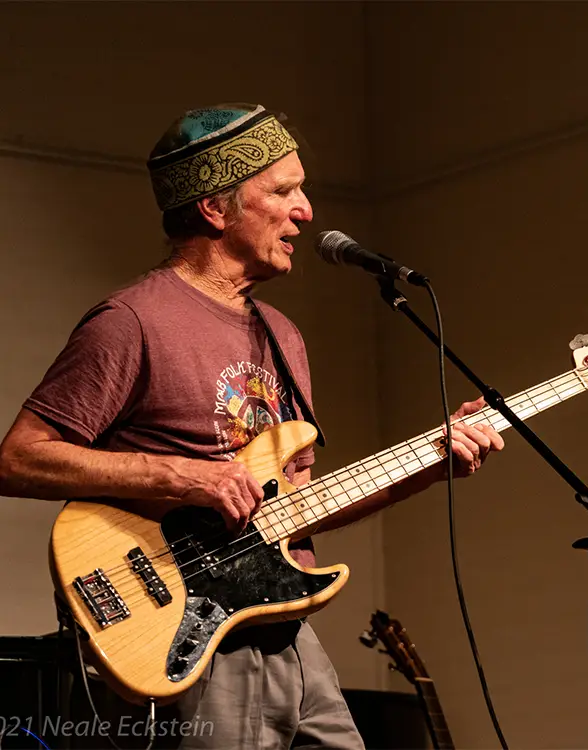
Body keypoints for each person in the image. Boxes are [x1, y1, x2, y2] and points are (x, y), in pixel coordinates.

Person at [0, 103, 504, 749]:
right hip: (184, 633)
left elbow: (299, 505)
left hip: (285, 629)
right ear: (216, 208)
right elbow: (18, 458)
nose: (307, 212)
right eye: (284, 191)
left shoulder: (282, 336)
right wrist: (183, 476)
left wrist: (431, 464)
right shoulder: (132, 322)